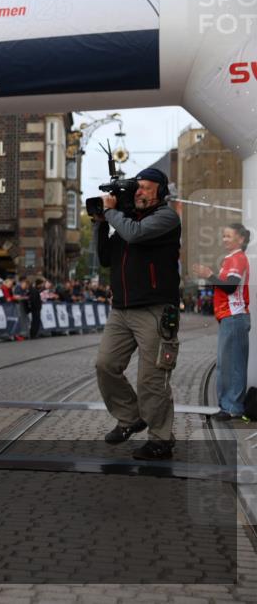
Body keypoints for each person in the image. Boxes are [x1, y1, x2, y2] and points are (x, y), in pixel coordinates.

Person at [94, 167, 181, 460]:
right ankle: (130, 417)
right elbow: (106, 258)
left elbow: (135, 235)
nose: (139, 192)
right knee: (105, 364)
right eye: (137, 188)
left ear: (160, 189)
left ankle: (161, 438)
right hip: (121, 309)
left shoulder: (166, 217)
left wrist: (112, 214)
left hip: (154, 308)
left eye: (144, 187)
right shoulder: (126, 220)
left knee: (151, 378)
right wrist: (99, 223)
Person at [191, 224, 250, 421]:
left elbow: (231, 287)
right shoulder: (230, 259)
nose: (224, 239)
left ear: (240, 239)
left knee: (232, 364)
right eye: (223, 236)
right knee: (226, 364)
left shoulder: (237, 258)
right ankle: (227, 405)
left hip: (234, 316)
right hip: (229, 317)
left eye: (228, 236)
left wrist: (209, 275)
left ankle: (232, 407)